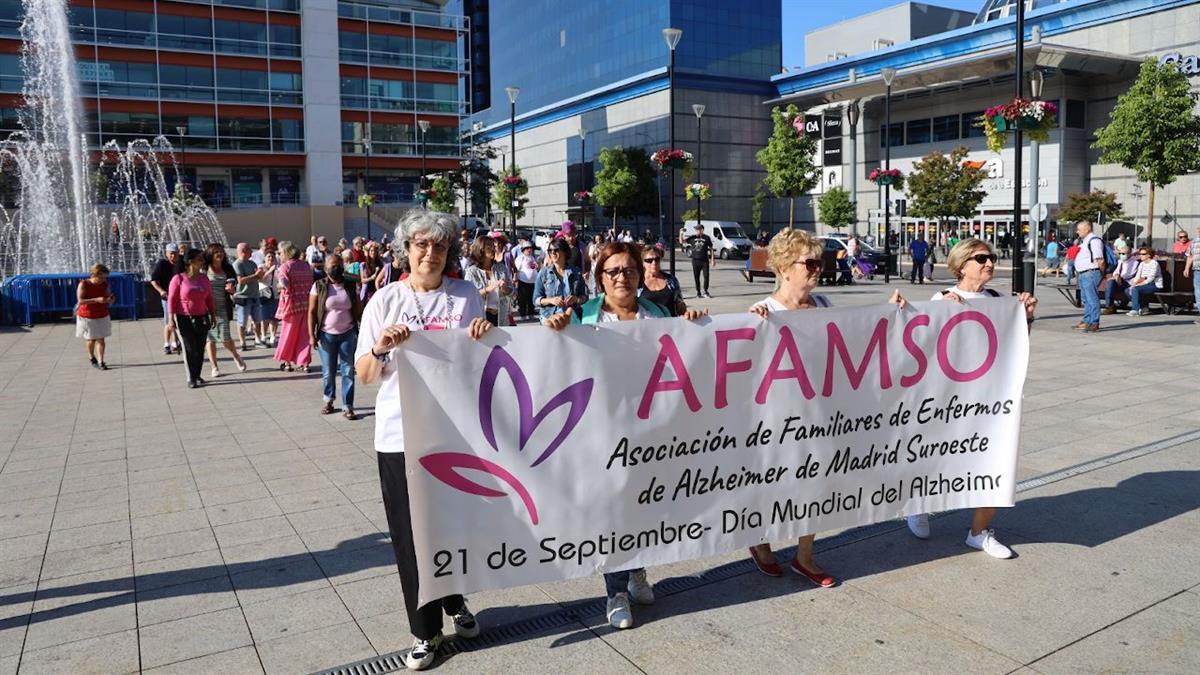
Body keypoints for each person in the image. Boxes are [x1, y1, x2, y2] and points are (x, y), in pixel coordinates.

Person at [543, 241, 705, 630]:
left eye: (629, 270)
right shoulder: (582, 317)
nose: (622, 277)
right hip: (604, 432)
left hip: (652, 432)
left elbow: (685, 357)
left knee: (645, 506)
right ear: (600, 278)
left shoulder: (659, 314)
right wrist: (555, 332)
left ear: (639, 275)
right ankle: (615, 591)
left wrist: (695, 324)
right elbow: (557, 365)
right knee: (614, 511)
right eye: (612, 271)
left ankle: (636, 571)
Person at [354, 211, 491, 670]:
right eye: (420, 245)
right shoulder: (384, 301)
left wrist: (483, 336)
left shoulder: (465, 295)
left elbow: (479, 363)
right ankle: (425, 631)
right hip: (398, 436)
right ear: (405, 250)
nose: (430, 253)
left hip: (451, 434)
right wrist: (380, 349)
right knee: (410, 538)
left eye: (438, 246)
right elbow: (366, 375)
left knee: (449, 528)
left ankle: (455, 603)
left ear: (449, 251)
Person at [902, 237, 1037, 559]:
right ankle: (918, 505)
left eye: (990, 258)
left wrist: (1027, 317)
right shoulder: (942, 297)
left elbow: (1016, 344)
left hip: (989, 397)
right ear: (962, 265)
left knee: (996, 459)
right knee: (935, 455)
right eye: (981, 258)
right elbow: (920, 347)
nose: (989, 263)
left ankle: (979, 532)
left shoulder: (997, 299)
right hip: (947, 397)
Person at [742, 229, 838, 587]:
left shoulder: (825, 304)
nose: (818, 269)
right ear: (783, 267)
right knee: (770, 484)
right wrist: (749, 326)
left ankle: (805, 556)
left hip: (818, 412)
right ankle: (760, 541)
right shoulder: (765, 312)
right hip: (776, 417)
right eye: (809, 263)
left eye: (820, 262)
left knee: (816, 482)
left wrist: (894, 316)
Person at [310, 256, 362, 419]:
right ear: (325, 268)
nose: (336, 268)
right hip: (326, 335)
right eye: (333, 266)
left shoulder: (351, 284)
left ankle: (348, 405)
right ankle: (329, 400)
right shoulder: (319, 286)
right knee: (328, 371)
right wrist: (311, 335)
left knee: (347, 370)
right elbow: (311, 311)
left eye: (339, 265)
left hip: (348, 332)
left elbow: (359, 308)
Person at [168, 249, 215, 388]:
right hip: (185, 317)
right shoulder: (179, 279)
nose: (203, 262)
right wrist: (171, 319)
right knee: (189, 348)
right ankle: (191, 378)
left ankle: (197, 375)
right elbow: (172, 299)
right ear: (190, 262)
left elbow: (209, 298)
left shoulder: (204, 278)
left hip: (202, 316)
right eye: (200, 259)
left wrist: (212, 314)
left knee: (200, 348)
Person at [204, 244, 248, 378]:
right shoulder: (204, 270)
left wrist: (232, 290)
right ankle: (214, 366)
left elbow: (233, 286)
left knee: (225, 337)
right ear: (210, 254)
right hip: (207, 309)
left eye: (221, 252)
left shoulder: (228, 269)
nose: (220, 254)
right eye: (216, 252)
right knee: (210, 338)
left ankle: (236, 355)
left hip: (223, 307)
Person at [275, 240, 314, 372]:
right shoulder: (305, 265)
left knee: (288, 334)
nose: (278, 255)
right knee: (305, 335)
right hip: (306, 304)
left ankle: (287, 363)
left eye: (279, 252)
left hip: (291, 306)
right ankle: (305, 363)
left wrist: (279, 286)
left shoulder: (285, 267)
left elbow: (284, 283)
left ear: (286, 253)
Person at [464, 235, 514, 326]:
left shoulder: (501, 268)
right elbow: (468, 296)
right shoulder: (471, 272)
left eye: (493, 246)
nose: (493, 249)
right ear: (480, 249)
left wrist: (506, 289)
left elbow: (511, 292)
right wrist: (487, 289)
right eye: (489, 246)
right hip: (481, 316)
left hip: (501, 316)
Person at [534, 238, 588, 320]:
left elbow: (585, 297)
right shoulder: (543, 273)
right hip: (549, 317)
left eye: (556, 250)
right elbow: (536, 300)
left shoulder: (577, 272)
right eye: (550, 250)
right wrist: (551, 300)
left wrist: (576, 299)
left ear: (565, 252)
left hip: (572, 316)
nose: (553, 253)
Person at [76, 263, 115, 370]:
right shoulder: (84, 284)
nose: (103, 279)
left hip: (102, 313)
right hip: (87, 315)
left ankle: (101, 361)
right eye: (101, 277)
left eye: (105, 277)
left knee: (101, 339)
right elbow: (80, 301)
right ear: (95, 275)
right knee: (91, 339)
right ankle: (91, 357)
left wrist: (110, 299)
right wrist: (96, 300)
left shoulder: (104, 284)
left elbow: (107, 295)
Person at [1073, 221, 1106, 332]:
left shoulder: (1094, 240)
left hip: (1091, 272)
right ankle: (1087, 321)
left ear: (1087, 229)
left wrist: (1102, 273)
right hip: (1084, 273)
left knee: (1092, 298)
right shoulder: (1085, 241)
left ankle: (1094, 322)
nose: (1077, 231)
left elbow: (1100, 260)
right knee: (1086, 299)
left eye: (1079, 229)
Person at [232, 242, 265, 351]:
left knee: (257, 319)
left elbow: (258, 277)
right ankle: (243, 342)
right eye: (249, 249)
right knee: (242, 321)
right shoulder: (237, 264)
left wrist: (260, 274)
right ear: (243, 251)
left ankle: (258, 339)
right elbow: (240, 281)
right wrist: (256, 276)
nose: (252, 252)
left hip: (255, 295)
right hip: (243, 297)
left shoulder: (252, 264)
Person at [638, 244, 686, 316]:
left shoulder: (671, 280)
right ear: (643, 263)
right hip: (646, 325)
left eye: (657, 259)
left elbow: (680, 304)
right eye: (649, 260)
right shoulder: (638, 282)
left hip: (670, 324)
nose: (654, 263)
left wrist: (682, 307)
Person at [150, 243, 181, 354]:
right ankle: (167, 343)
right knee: (169, 320)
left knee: (176, 320)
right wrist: (161, 291)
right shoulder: (162, 264)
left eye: (175, 253)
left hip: (180, 297)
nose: (173, 256)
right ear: (167, 254)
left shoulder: (181, 264)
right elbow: (153, 280)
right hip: (167, 297)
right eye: (171, 254)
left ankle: (175, 342)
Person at [1125, 247, 1163, 317]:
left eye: (1143, 254)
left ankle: (1135, 310)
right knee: (1127, 290)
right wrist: (1134, 283)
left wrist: (1137, 285)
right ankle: (1142, 307)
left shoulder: (1154, 263)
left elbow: (1150, 279)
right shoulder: (1142, 264)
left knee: (1135, 289)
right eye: (1140, 254)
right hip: (1144, 284)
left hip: (1154, 284)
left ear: (1149, 255)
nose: (1141, 255)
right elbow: (1137, 276)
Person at [1102, 249, 1140, 314]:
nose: (1121, 255)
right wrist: (1116, 276)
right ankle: (1110, 307)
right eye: (1120, 254)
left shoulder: (1134, 262)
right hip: (1119, 280)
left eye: (1123, 254)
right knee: (1110, 283)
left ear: (1130, 254)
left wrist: (1118, 277)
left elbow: (1129, 274)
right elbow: (1116, 272)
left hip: (1128, 282)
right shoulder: (1120, 261)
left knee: (1112, 281)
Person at [258, 249, 280, 346]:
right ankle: (263, 336)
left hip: (275, 295)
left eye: (272, 257)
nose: (270, 258)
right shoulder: (261, 267)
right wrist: (270, 271)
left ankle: (273, 337)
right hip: (265, 295)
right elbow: (261, 279)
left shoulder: (278, 268)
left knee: (274, 318)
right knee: (264, 317)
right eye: (268, 257)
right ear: (265, 258)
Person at [686, 223, 714, 298]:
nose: (697, 231)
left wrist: (712, 259)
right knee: (696, 277)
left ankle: (705, 291)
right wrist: (681, 233)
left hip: (704, 260)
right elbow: (682, 241)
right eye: (696, 229)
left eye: (698, 229)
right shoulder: (692, 238)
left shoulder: (707, 238)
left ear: (702, 230)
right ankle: (698, 292)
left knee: (706, 276)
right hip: (695, 260)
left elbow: (711, 248)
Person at [513, 241, 540, 320]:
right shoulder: (520, 258)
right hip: (523, 281)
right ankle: (523, 314)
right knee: (523, 299)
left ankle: (531, 312)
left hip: (532, 282)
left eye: (530, 248)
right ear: (523, 250)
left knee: (531, 298)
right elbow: (516, 269)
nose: (529, 250)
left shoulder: (532, 257)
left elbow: (534, 268)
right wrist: (515, 279)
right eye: (527, 248)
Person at [1184, 225, 1200, 325]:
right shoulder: (1194, 242)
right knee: (1198, 294)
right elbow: (1190, 256)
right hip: (1197, 270)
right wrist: (1186, 268)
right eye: (1198, 230)